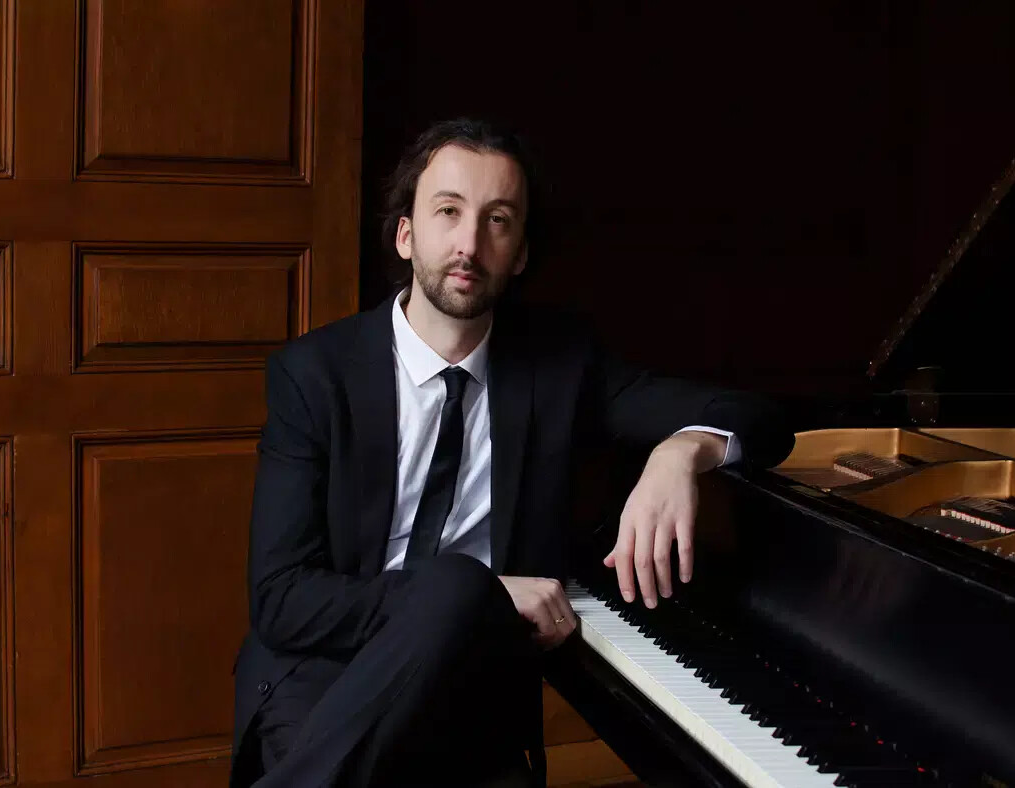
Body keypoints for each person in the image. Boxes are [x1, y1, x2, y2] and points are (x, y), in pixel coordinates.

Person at [230, 118, 793, 788]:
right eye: (448, 212)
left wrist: (681, 454)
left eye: (498, 220)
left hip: (468, 686)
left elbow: (761, 420)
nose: (470, 243)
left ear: (520, 251)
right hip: (325, 674)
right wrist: (477, 597)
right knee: (457, 583)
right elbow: (283, 600)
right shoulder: (314, 374)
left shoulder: (561, 362)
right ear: (406, 234)